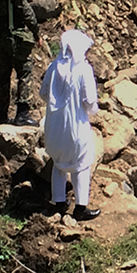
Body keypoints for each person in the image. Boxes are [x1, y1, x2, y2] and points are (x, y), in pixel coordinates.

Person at [39, 29, 101, 221]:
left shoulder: (53, 66)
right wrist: (93, 111)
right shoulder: (84, 69)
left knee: (58, 164)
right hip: (76, 128)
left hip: (54, 128)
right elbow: (89, 101)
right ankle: (80, 208)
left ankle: (59, 203)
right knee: (81, 165)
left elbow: (43, 94)